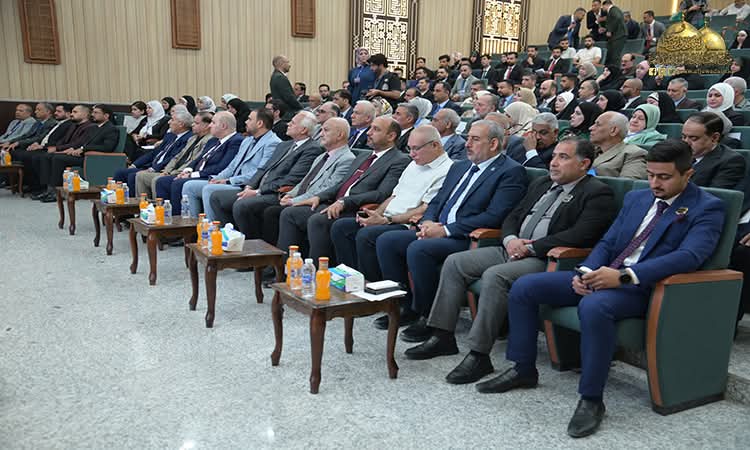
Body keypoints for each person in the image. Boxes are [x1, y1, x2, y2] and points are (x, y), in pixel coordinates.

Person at [489, 139, 724, 438]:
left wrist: (624, 277)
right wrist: (585, 273)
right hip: (606, 275)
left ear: (687, 174)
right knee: (525, 287)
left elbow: (690, 256)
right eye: (651, 175)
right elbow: (608, 242)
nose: (655, 183)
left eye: (664, 177)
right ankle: (523, 369)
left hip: (647, 288)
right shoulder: (637, 198)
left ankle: (591, 399)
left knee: (594, 306)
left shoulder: (707, 207)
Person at [404, 137, 617, 380]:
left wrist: (533, 247)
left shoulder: (596, 192)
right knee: (455, 262)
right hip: (511, 247)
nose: (554, 162)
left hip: (546, 258)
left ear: (584, 164)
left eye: (563, 157)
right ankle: (442, 335)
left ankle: (479, 355)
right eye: (554, 156)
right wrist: (510, 239)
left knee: (495, 275)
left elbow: (582, 234)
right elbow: (513, 216)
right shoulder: (542, 183)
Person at [375, 120, 528, 340]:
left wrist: (446, 230)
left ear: (494, 144)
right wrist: (428, 221)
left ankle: (428, 316)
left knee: (419, 249)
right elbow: (437, 201)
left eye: (475, 139)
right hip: (438, 228)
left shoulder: (511, 171)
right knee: (387, 241)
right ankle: (402, 306)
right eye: (468, 138)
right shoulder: (460, 166)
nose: (467, 144)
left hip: (468, 237)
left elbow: (495, 216)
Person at [330, 126, 454, 311]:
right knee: (341, 227)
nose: (411, 154)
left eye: (416, 149)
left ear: (435, 145)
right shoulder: (414, 164)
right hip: (388, 218)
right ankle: (356, 286)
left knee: (368, 235)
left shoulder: (446, 170)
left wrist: (387, 221)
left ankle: (388, 298)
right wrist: (377, 214)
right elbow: (393, 196)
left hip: (407, 223)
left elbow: (424, 208)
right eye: (409, 148)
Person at [276, 116, 411, 263]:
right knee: (290, 213)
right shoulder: (364, 155)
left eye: (376, 129)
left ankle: (318, 271)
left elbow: (381, 194)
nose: (369, 132)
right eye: (370, 128)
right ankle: (285, 268)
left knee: (318, 220)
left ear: (391, 136)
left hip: (356, 208)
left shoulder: (399, 160)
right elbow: (341, 184)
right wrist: (319, 197)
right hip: (334, 203)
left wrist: (344, 202)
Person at [209, 111, 322, 235]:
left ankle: (251, 242)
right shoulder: (284, 145)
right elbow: (263, 168)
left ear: (303, 130)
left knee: (241, 205)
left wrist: (258, 192)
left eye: (293, 123)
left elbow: (291, 179)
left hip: (276, 193)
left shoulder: (311, 149)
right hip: (259, 188)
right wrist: (249, 186)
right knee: (216, 196)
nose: (288, 124)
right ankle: (229, 235)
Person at [182, 109, 281, 220]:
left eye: (249, 119)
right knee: (189, 186)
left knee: (209, 189)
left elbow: (260, 173)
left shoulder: (273, 143)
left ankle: (213, 228)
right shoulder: (247, 140)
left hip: (247, 186)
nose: (245, 122)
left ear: (260, 123)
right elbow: (233, 166)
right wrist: (217, 178)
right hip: (233, 181)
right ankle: (192, 226)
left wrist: (229, 181)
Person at [153, 111, 243, 215]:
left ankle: (179, 219)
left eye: (213, 122)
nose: (210, 125)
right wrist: (187, 170)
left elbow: (221, 167)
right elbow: (197, 159)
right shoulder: (213, 140)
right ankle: (165, 216)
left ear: (223, 126)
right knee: (163, 181)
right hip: (198, 173)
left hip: (211, 176)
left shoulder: (235, 141)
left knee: (178, 183)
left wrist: (192, 175)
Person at [36, 105, 119, 202]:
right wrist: (73, 149)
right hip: (84, 155)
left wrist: (83, 149)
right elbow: (84, 143)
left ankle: (57, 193)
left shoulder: (111, 129)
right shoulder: (95, 127)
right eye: (93, 112)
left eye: (96, 113)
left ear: (106, 116)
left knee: (58, 159)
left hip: (95, 158)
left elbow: (107, 147)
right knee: (51, 156)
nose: (92, 115)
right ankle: (48, 190)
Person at [113, 107, 194, 196]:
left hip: (163, 168)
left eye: (172, 120)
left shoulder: (188, 139)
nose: (169, 122)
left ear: (181, 124)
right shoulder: (170, 135)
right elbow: (153, 153)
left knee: (133, 176)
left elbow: (174, 157)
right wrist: (134, 164)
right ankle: (116, 197)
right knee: (121, 172)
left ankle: (136, 202)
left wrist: (154, 168)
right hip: (152, 165)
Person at [135, 112, 214, 199]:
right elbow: (177, 157)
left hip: (184, 172)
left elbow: (194, 161)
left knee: (158, 180)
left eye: (196, 123)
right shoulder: (192, 138)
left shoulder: (209, 140)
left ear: (206, 126)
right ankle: (144, 204)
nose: (192, 125)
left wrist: (172, 173)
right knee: (141, 176)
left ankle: (160, 206)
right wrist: (167, 171)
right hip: (174, 170)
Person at [682, 112, 746, 188]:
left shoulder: (731, 161)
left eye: (693, 138)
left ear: (714, 138)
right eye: (684, 137)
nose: (686, 142)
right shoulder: (678, 154)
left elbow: (715, 193)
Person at [589, 111, 648, 178]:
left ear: (614, 130)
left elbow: (626, 183)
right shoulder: (588, 150)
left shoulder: (634, 154)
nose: (591, 128)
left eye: (598, 125)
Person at [602, 1, 627, 65]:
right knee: (612, 54)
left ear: (606, 5)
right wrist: (606, 29)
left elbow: (617, 17)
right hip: (617, 35)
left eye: (603, 6)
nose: (602, 8)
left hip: (619, 35)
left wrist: (610, 30)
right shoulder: (614, 10)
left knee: (615, 55)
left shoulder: (613, 9)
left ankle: (616, 69)